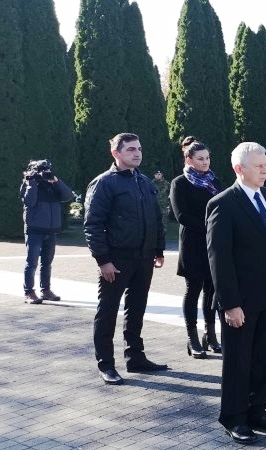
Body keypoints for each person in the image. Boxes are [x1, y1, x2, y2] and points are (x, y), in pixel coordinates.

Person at [207, 142, 266, 443]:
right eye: (259, 166)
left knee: (265, 358)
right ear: (239, 169)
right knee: (238, 361)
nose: (265, 170)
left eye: (265, 165)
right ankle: (234, 417)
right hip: (240, 301)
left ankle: (258, 410)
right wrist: (230, 304)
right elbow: (219, 258)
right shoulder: (223, 203)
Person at [84, 133, 168, 386]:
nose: (137, 153)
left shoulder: (144, 181)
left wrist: (159, 249)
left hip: (144, 257)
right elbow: (93, 225)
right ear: (116, 153)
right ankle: (106, 365)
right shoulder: (104, 183)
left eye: (139, 148)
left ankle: (135, 357)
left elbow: (156, 218)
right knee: (107, 311)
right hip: (116, 259)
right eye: (131, 149)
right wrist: (103, 260)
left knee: (137, 308)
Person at [170, 139, 224, 359]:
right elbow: (181, 215)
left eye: (207, 158)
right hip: (193, 243)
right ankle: (192, 338)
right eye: (200, 159)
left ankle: (210, 335)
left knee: (211, 291)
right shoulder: (180, 183)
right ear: (189, 159)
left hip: (213, 245)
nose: (205, 162)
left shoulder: (214, 181)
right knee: (193, 289)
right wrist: (210, 226)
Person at [20, 160, 74, 304]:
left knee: (47, 263)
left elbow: (68, 196)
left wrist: (56, 181)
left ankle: (46, 290)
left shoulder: (52, 185)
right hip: (34, 230)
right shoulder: (28, 184)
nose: (44, 173)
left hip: (51, 231)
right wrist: (31, 182)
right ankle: (29, 292)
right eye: (41, 170)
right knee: (32, 263)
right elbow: (30, 202)